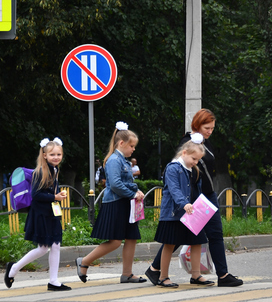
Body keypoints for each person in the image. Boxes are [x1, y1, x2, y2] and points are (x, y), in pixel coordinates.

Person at [145, 108, 243, 287]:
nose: (210, 131)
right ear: (197, 125)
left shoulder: (207, 143)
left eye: (212, 128)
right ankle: (156, 270)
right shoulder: (187, 144)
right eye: (207, 127)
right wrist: (185, 201)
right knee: (175, 237)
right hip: (192, 199)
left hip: (206, 196)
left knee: (211, 234)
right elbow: (181, 178)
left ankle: (221, 275)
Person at [75, 122, 146, 284]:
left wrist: (137, 190)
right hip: (115, 203)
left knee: (131, 238)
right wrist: (132, 194)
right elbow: (114, 184)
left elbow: (125, 182)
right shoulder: (114, 160)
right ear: (121, 143)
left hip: (125, 203)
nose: (133, 149)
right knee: (114, 241)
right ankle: (84, 261)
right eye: (131, 146)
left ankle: (127, 274)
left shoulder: (123, 160)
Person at [4, 138, 71, 291]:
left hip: (50, 213)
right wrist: (55, 197)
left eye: (59, 154)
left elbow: (46, 192)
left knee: (55, 246)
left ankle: (53, 281)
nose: (56, 157)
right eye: (52, 154)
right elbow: (36, 195)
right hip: (41, 214)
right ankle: (13, 268)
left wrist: (56, 194)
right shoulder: (41, 171)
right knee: (42, 248)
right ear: (44, 155)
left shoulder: (53, 170)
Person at [153, 134, 214, 287]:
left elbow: (196, 190)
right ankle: (163, 277)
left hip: (191, 213)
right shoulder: (173, 168)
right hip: (174, 214)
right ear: (184, 153)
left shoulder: (193, 169)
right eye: (194, 159)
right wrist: (184, 203)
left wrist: (200, 206)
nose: (196, 162)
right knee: (169, 244)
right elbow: (174, 189)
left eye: (198, 160)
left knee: (197, 242)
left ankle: (196, 275)